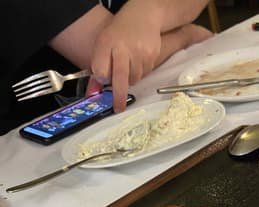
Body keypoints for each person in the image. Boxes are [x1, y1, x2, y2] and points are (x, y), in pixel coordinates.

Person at [0, 0, 213, 135]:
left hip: (132, 107)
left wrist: (148, 10)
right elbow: (113, 59)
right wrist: (184, 36)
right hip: (38, 139)